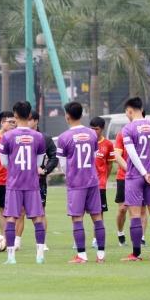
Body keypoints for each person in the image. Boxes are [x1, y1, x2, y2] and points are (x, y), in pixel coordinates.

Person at [0, 101, 47, 265]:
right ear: (30, 116)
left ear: (16, 116)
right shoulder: (38, 136)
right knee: (38, 219)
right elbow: (39, 161)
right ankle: (40, 256)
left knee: (11, 218)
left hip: (14, 184)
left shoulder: (7, 136)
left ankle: (11, 257)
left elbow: (4, 162)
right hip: (32, 184)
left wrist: (15, 168)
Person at [57, 102, 106, 263]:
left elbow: (63, 164)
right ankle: (101, 255)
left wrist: (71, 175)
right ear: (82, 115)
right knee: (97, 217)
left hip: (76, 183)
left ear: (67, 116)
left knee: (77, 218)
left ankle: (82, 255)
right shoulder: (92, 135)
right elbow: (94, 157)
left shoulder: (64, 137)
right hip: (92, 181)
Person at [120, 97, 150, 262]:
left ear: (129, 110)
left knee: (135, 216)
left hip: (134, 176)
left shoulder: (127, 128)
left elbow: (132, 153)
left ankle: (136, 254)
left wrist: (144, 173)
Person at [15, 110, 57, 251]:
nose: (26, 122)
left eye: (29, 119)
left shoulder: (44, 138)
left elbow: (54, 157)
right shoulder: (16, 136)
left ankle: (42, 243)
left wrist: (44, 170)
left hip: (38, 181)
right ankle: (17, 242)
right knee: (20, 212)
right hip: (20, 180)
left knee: (40, 211)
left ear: (36, 121)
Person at [114, 129, 148, 248]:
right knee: (123, 208)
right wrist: (130, 170)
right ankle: (120, 234)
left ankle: (141, 238)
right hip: (124, 176)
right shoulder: (122, 133)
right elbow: (117, 156)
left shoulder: (147, 133)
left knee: (142, 209)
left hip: (143, 176)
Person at [88, 117, 114, 250]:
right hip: (85, 183)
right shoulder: (85, 142)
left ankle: (96, 239)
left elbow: (110, 164)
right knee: (79, 211)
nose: (93, 132)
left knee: (99, 212)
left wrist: (104, 178)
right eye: (91, 129)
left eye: (96, 129)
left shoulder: (108, 144)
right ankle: (77, 241)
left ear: (102, 129)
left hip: (99, 185)